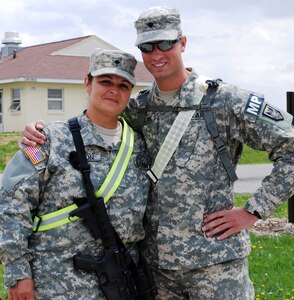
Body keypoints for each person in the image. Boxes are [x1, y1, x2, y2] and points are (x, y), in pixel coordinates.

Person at [20, 6, 294, 300]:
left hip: (217, 266)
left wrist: (253, 210)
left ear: (183, 43)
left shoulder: (226, 102)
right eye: (147, 47)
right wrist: (43, 132)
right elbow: (97, 119)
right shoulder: (138, 109)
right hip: (156, 271)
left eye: (166, 43)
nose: (157, 54)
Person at [0, 48, 152, 300]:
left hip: (122, 284)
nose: (114, 89)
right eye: (105, 81)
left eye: (123, 85)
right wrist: (17, 274)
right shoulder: (50, 139)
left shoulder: (140, 147)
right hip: (55, 285)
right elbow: (10, 205)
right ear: (87, 83)